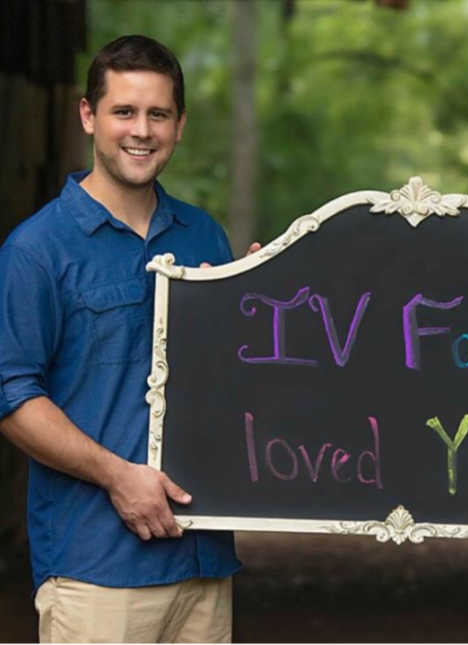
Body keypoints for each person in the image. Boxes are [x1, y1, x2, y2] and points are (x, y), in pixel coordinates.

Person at [0, 35, 251, 642]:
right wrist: (118, 476)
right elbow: (11, 400)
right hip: (96, 571)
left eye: (157, 114)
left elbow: (229, 387)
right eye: (124, 112)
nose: (141, 131)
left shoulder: (203, 238)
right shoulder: (37, 250)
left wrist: (254, 308)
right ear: (89, 116)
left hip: (204, 562)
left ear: (179, 125)